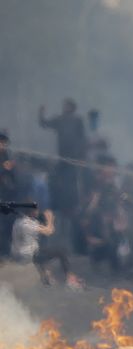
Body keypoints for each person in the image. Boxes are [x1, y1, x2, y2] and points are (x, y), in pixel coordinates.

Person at [39, 99, 88, 253]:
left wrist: (81, 157)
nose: (65, 107)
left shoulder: (77, 120)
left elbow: (82, 139)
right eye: (64, 105)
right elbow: (44, 123)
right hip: (62, 159)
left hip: (73, 160)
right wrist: (40, 113)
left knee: (72, 189)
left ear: (72, 108)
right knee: (59, 186)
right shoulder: (59, 119)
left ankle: (71, 207)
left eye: (68, 105)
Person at [11, 206, 83, 290]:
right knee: (61, 251)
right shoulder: (26, 224)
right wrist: (50, 219)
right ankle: (70, 279)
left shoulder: (21, 221)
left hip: (23, 252)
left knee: (44, 249)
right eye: (36, 210)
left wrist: (46, 222)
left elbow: (43, 229)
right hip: (28, 255)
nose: (38, 211)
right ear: (31, 212)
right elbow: (49, 231)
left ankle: (47, 276)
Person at [0, 130, 18, 258]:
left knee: (9, 225)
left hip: (7, 195)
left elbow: (12, 177)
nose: (3, 145)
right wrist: (3, 169)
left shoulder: (6, 154)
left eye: (5, 143)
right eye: (1, 142)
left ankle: (7, 251)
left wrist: (11, 168)